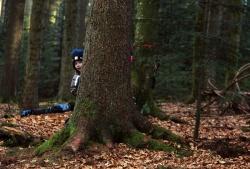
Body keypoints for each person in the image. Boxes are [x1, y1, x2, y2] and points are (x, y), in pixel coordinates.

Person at [20, 48, 84, 117]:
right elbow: (73, 90)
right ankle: (31, 112)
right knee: (56, 108)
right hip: (79, 103)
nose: (78, 65)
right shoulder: (76, 77)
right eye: (76, 63)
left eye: (80, 62)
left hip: (81, 103)